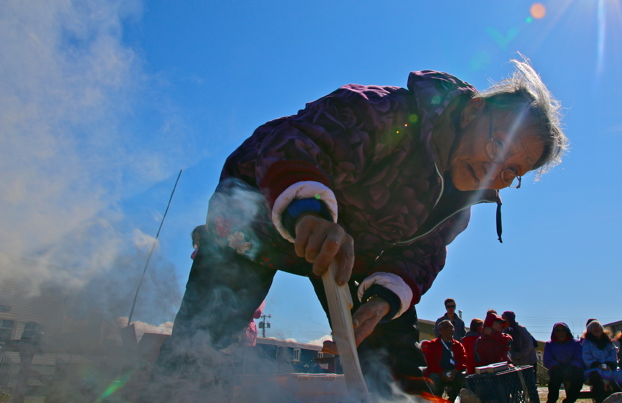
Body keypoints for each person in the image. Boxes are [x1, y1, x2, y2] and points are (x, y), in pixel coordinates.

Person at [144, 61, 567, 401]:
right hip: (257, 208)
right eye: (497, 150)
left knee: (388, 351)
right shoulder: (386, 113)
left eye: (512, 171)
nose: (496, 172)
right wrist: (310, 214)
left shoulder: (457, 205)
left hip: (353, 247)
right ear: (473, 111)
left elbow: (421, 256)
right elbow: (297, 143)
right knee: (208, 333)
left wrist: (383, 300)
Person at [582, 320, 622, 403]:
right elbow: (586, 355)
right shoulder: (586, 342)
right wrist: (597, 364)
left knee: (620, 375)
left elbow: (613, 353)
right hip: (594, 368)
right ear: (589, 330)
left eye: (598, 326)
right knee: (597, 379)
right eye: (593, 327)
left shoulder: (608, 341)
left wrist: (609, 364)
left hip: (609, 367)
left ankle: (619, 399)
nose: (596, 328)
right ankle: (601, 400)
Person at [422, 319, 467, 402]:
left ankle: (454, 398)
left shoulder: (458, 345)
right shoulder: (433, 344)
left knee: (464, 376)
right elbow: (431, 362)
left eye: (452, 327)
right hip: (439, 373)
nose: (450, 330)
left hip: (454, 372)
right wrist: (441, 373)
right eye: (447, 327)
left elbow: (463, 360)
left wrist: (455, 371)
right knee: (433, 378)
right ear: (440, 331)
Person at [544, 322, 584, 403]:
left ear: (567, 331)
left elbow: (579, 358)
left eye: (563, 330)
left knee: (578, 378)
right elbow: (548, 359)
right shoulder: (549, 344)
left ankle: (569, 401)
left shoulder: (576, 343)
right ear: (554, 333)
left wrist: (571, 367)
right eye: (558, 330)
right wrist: (556, 366)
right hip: (556, 369)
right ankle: (551, 400)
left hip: (573, 370)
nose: (561, 332)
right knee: (554, 382)